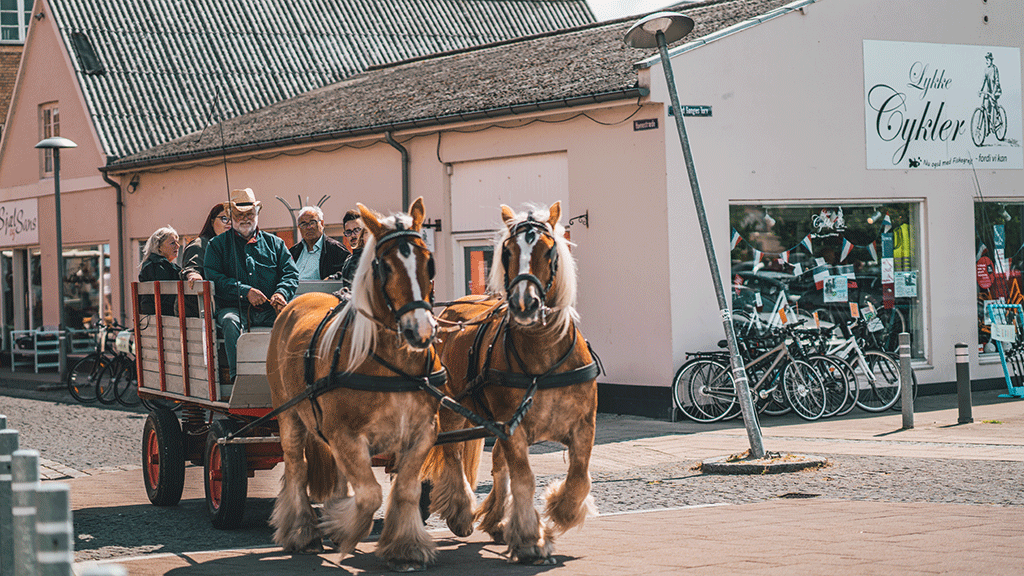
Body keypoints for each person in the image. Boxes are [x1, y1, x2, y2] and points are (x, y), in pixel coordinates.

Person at [203, 188, 298, 382]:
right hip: (234, 308)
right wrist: (245, 292)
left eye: (250, 213)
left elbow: (291, 274)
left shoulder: (276, 244)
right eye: (240, 214)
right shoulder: (217, 245)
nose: (245, 218)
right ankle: (239, 378)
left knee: (295, 322)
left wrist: (281, 293)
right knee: (230, 322)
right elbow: (214, 278)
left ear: (257, 213)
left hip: (271, 308)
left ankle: (292, 377)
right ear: (231, 216)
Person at [288, 206, 348, 281]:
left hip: (321, 291)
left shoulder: (335, 248)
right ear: (299, 228)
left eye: (312, 222)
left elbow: (350, 270)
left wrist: (333, 278)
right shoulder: (293, 252)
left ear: (322, 224)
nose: (308, 227)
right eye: (304, 224)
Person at [181, 202, 232, 285]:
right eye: (224, 218)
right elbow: (192, 268)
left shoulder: (236, 246)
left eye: (234, 219)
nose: (230, 222)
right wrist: (193, 274)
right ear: (212, 222)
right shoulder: (199, 245)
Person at [138, 226, 182, 314]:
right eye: (173, 243)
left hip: (154, 317)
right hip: (163, 318)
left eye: (177, 242)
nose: (178, 246)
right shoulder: (156, 266)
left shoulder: (154, 264)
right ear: (159, 247)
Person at [332, 209, 366, 289]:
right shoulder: (349, 261)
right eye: (348, 232)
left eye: (357, 230)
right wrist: (336, 276)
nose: (353, 235)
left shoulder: (373, 257)